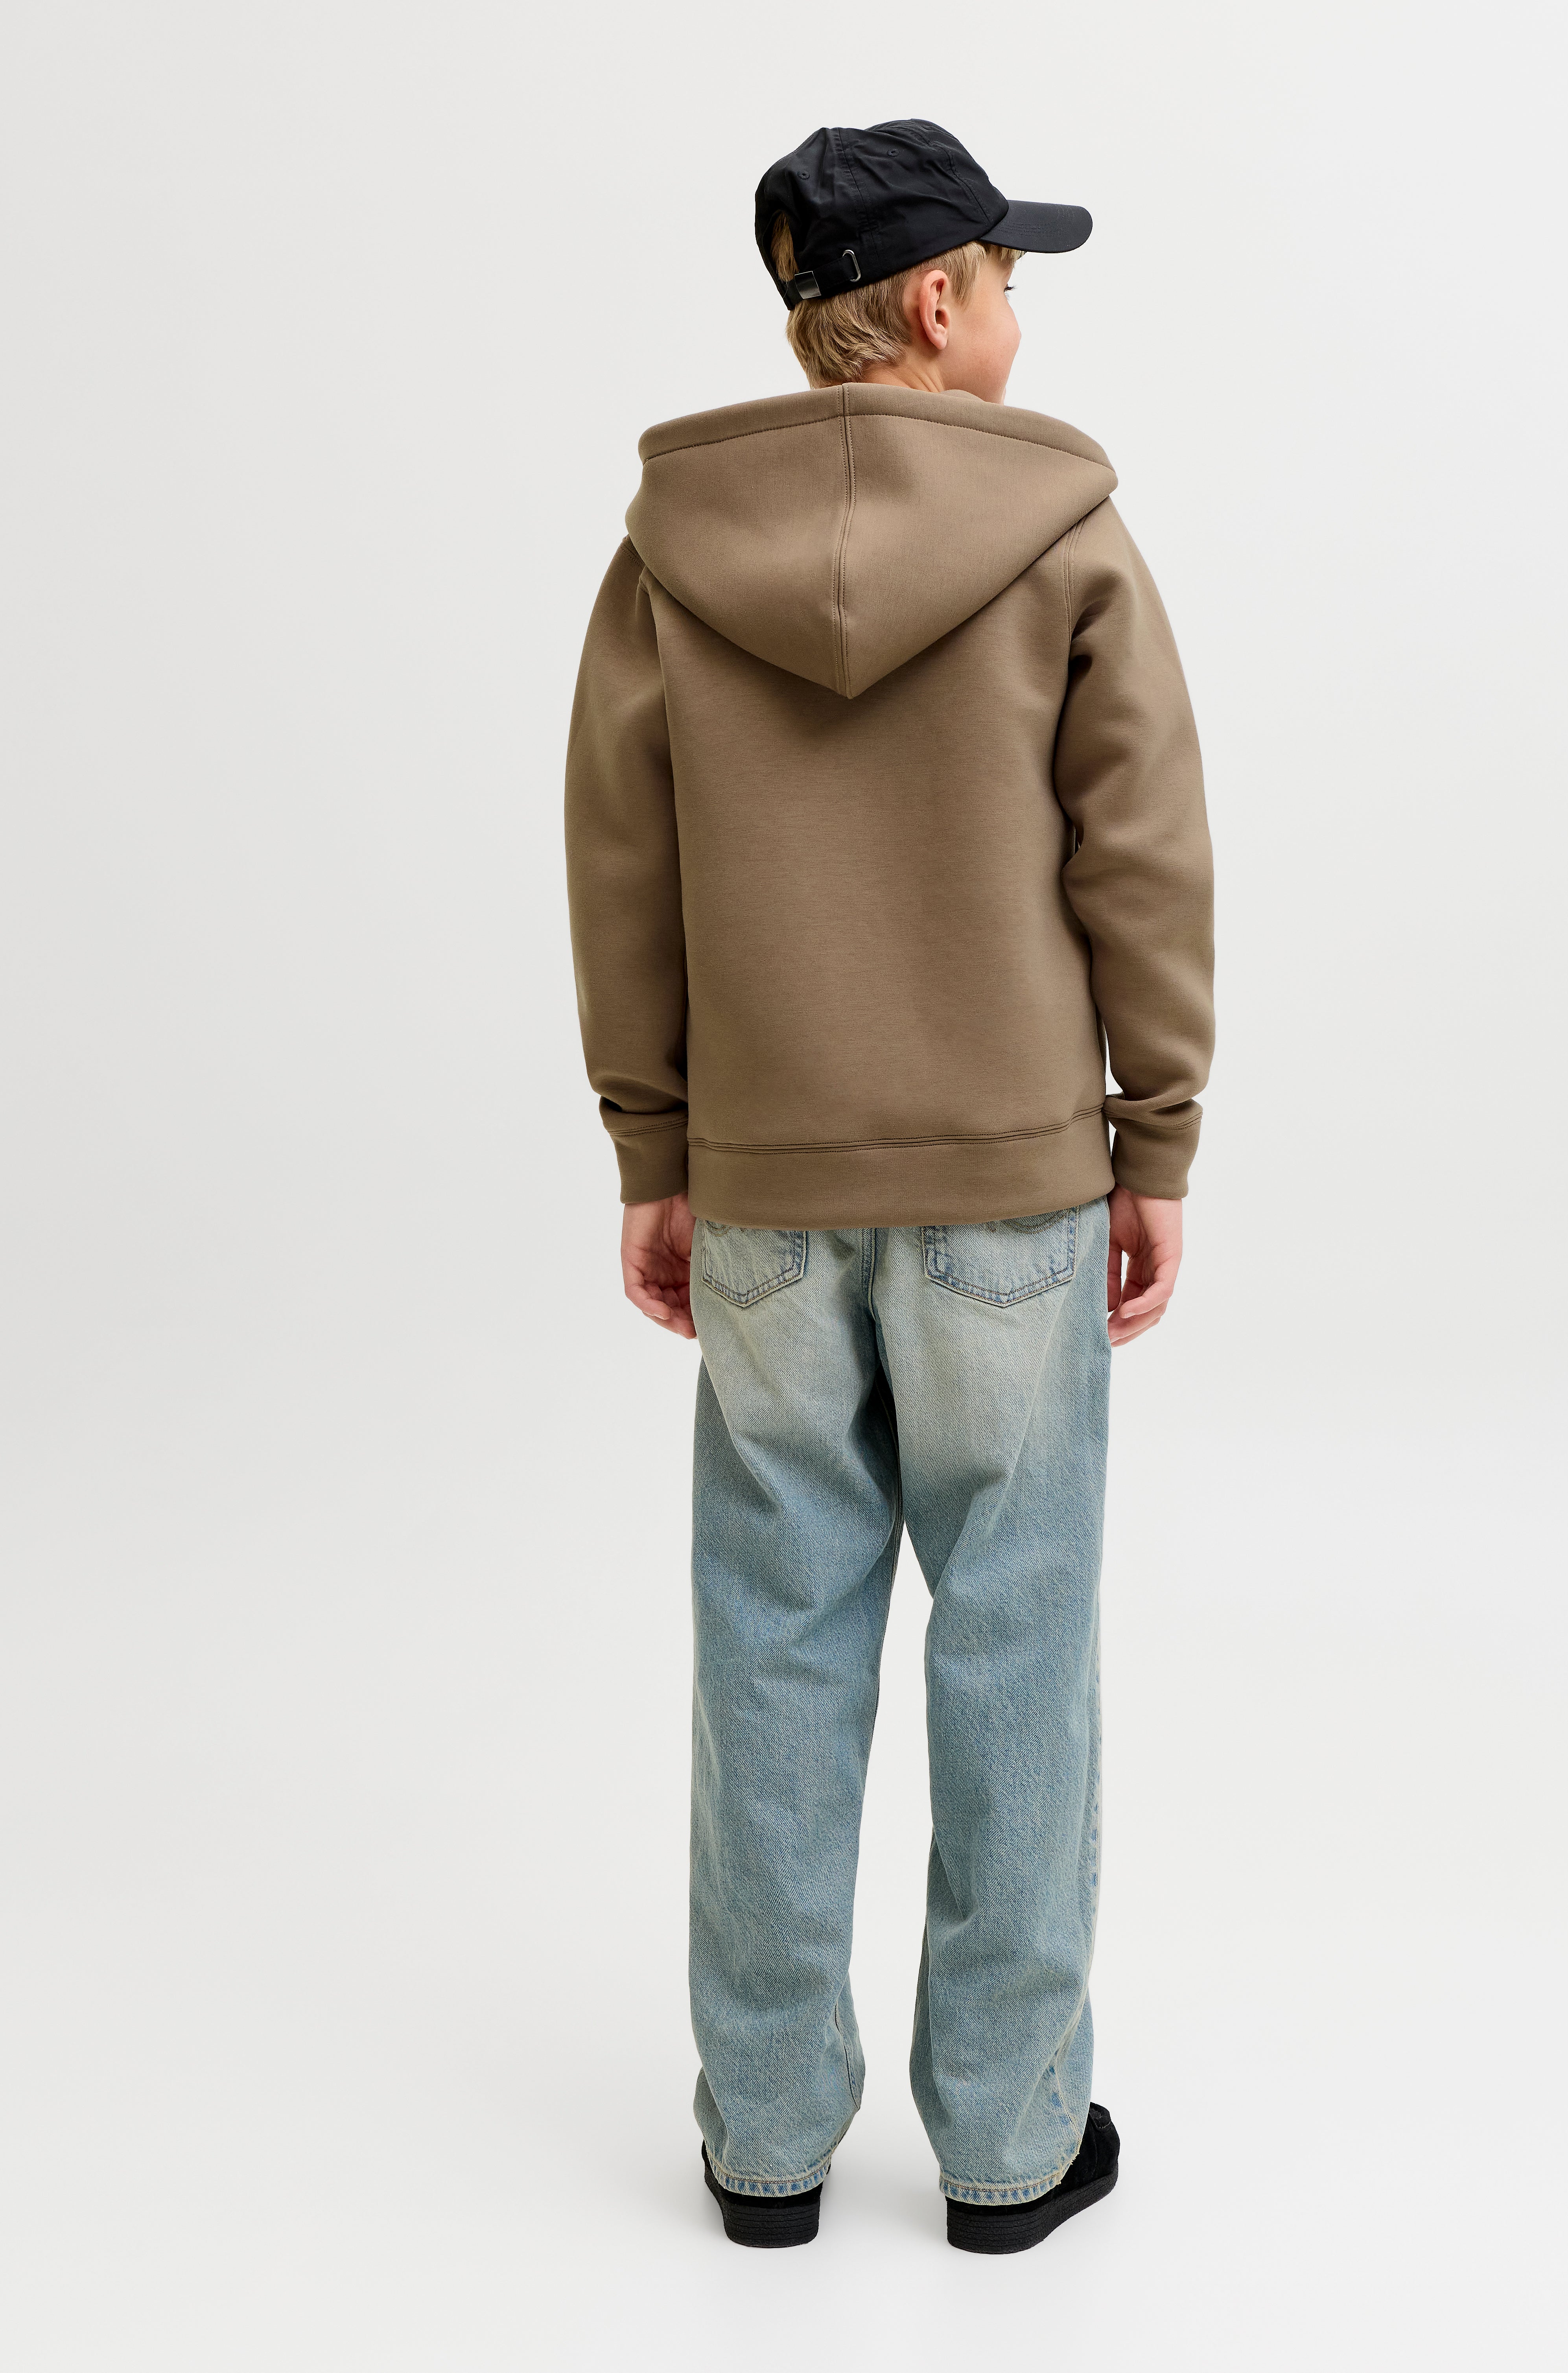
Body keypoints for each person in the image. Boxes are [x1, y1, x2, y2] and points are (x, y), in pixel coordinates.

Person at [564, 118, 1214, 2254]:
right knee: (1015, 1644)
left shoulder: (672, 555)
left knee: (771, 1638)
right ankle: (1011, 2146)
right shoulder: (1067, 540)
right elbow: (1142, 856)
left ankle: (764, 2139)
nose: (1020, 314)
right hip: (1013, 1190)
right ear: (937, 301)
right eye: (1009, 279)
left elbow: (623, 865)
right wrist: (1154, 1135)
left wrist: (657, 1145)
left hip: (764, 1185)